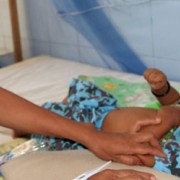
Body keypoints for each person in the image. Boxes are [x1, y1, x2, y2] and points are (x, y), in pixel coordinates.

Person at [26, 68, 179, 177]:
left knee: (45, 123)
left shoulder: (173, 162)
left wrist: (155, 131)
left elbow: (141, 155)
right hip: (105, 113)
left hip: (96, 136)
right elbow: (174, 104)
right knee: (54, 113)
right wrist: (162, 89)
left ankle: (24, 131)